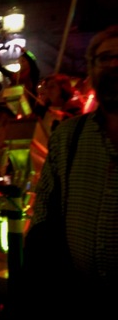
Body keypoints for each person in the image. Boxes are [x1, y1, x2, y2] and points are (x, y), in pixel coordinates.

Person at [19, 25, 118, 319]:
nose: (114, 65)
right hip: (76, 298)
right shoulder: (69, 135)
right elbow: (44, 210)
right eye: (105, 58)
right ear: (92, 68)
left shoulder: (67, 114)